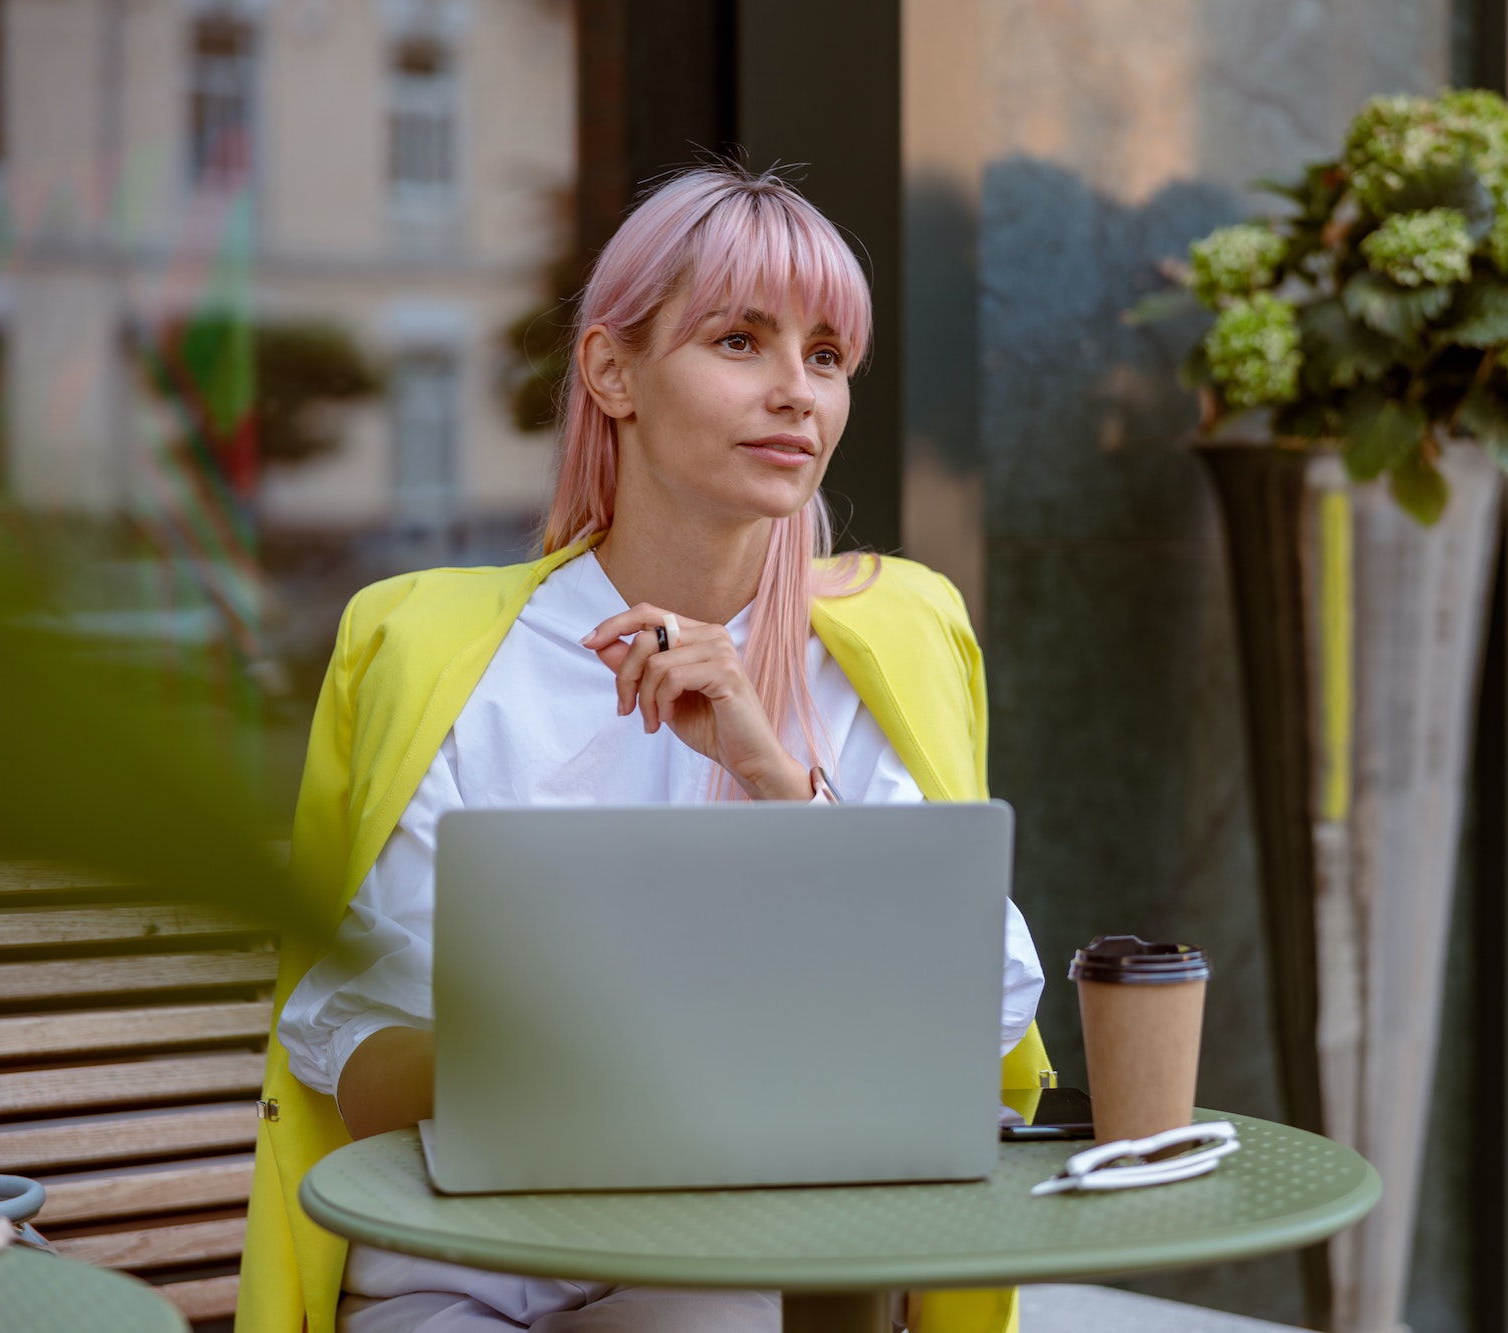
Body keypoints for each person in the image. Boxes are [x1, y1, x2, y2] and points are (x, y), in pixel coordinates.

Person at [235, 165, 1049, 1333]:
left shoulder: (890, 637)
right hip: (466, 1273)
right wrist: (703, 1044)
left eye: (826, 357)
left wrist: (777, 776)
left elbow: (982, 1004)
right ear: (611, 371)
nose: (795, 394)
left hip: (746, 1273)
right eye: (739, 340)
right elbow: (357, 1048)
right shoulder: (442, 653)